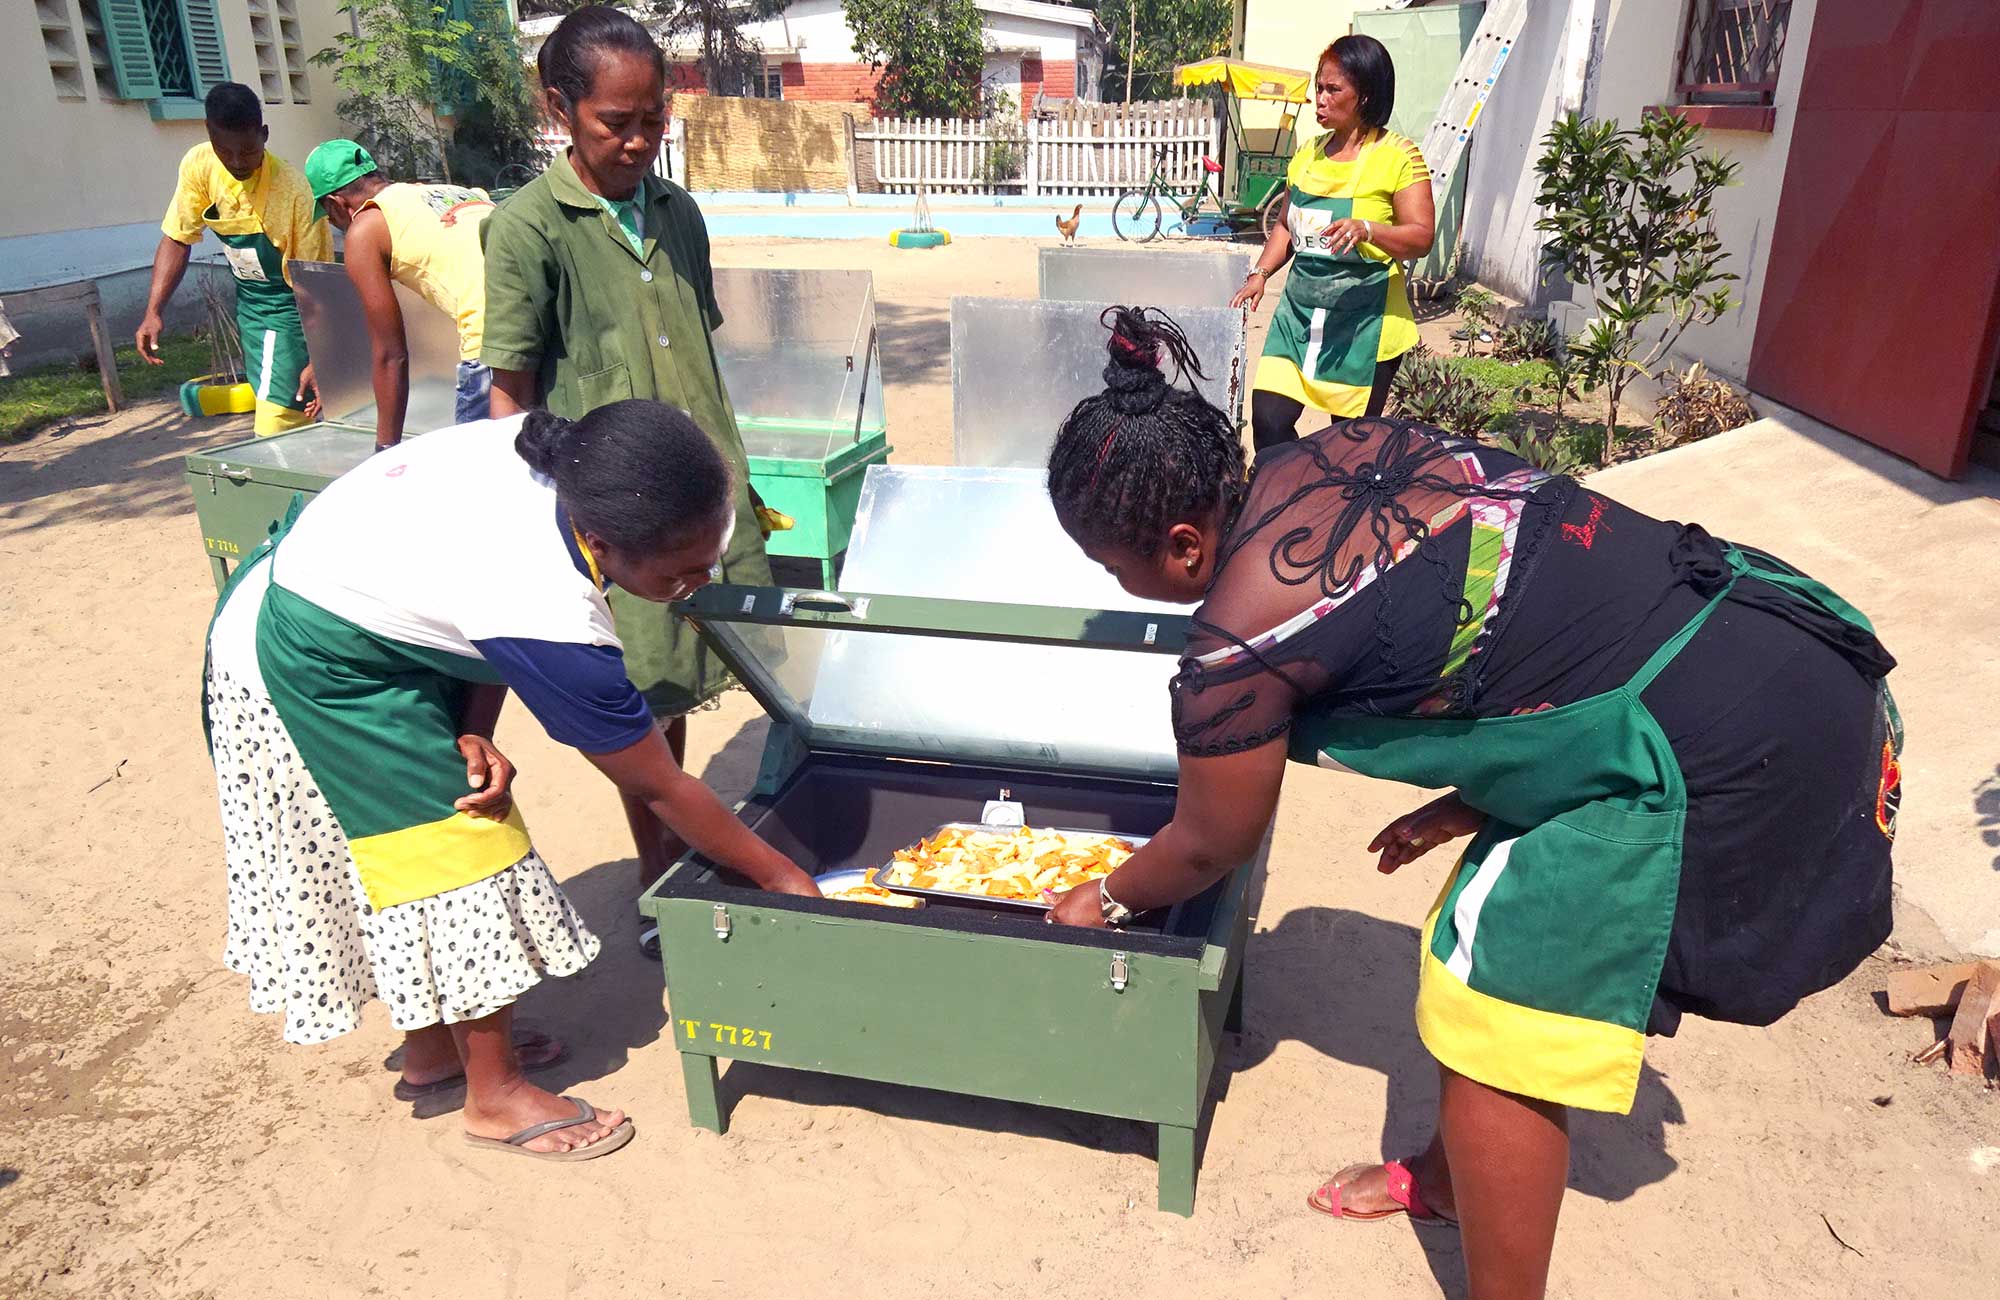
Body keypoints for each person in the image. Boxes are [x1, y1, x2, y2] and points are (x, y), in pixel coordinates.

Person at [1042, 309, 1899, 1299]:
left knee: (1495, 1000)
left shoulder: (1232, 652)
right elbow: (1513, 625)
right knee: (1477, 926)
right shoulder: (1345, 448)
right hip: (1776, 641)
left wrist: (1101, 900)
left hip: (1727, 748)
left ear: (1184, 544)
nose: (1118, 583)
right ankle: (1451, 1180)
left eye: (1114, 566)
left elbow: (1210, 839)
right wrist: (1473, 799)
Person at [203, 400, 821, 1161]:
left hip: (359, 617)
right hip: (317, 659)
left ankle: (438, 1051)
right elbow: (657, 783)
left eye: (709, 560)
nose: (696, 584)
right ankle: (493, 1098)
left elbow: (465, 605)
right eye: (679, 573)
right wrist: (786, 879)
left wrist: (475, 729)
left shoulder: (569, 460)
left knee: (413, 844)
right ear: (601, 541)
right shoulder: (545, 599)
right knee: (458, 848)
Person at [480, 6, 772, 949]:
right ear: (559, 106)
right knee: (644, 695)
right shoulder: (528, 228)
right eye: (617, 122)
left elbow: (700, 358)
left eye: (654, 119)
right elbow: (511, 399)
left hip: (698, 486)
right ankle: (661, 883)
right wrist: (534, 526)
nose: (640, 140)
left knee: (729, 661)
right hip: (619, 510)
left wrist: (743, 485)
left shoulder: (679, 215)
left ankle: (728, 838)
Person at [1232, 35, 1435, 450]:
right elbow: (1287, 225)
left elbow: (1421, 236)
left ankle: (1333, 507)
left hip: (1365, 325)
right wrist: (1260, 274)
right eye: (1318, 88)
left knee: (1351, 446)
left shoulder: (1398, 157)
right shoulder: (1306, 155)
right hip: (1298, 317)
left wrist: (1369, 229)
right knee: (1269, 423)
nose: (1319, 99)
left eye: (1332, 89)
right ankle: (1287, 501)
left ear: (1364, 96)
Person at [139, 82, 330, 435]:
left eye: (248, 150)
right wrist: (154, 311)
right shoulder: (199, 165)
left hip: (292, 308)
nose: (238, 162)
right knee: (285, 408)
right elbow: (178, 238)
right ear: (210, 136)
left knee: (277, 418)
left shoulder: (294, 192)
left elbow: (315, 282)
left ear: (264, 134)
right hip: (249, 308)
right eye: (225, 152)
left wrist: (321, 356)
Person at [303, 139, 497, 448]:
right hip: (555, 331)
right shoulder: (448, 193)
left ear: (334, 204)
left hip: (493, 349)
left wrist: (386, 451)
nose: (334, 225)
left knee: (474, 477)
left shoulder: (365, 228)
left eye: (328, 217)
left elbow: (391, 354)